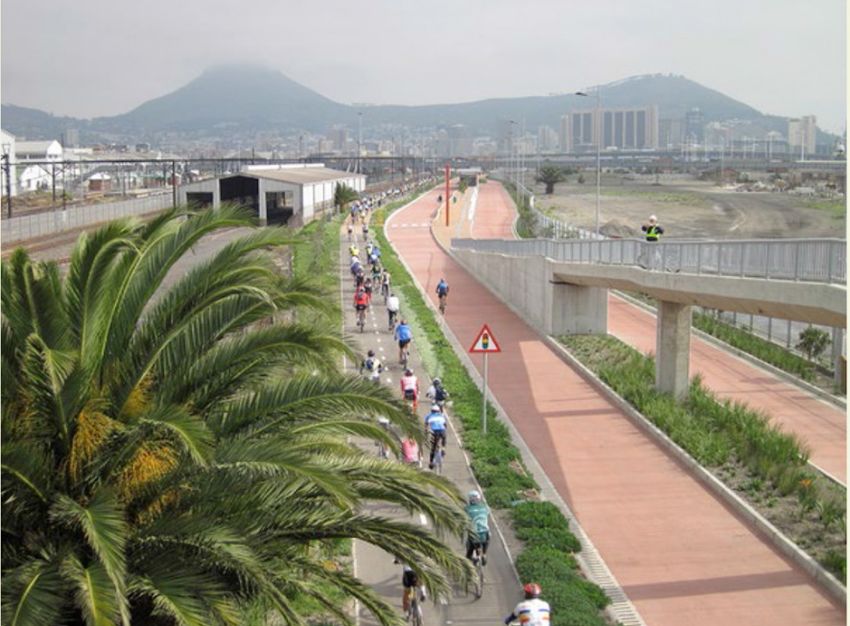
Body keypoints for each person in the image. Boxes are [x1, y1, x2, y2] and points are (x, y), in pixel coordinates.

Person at [465, 490, 490, 564]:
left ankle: (475, 557)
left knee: (470, 546)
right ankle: (484, 554)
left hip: (474, 532)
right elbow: (487, 514)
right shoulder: (485, 507)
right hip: (485, 531)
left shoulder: (467, 509)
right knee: (487, 540)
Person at [424, 404, 447, 468]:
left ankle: (431, 462)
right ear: (438, 411)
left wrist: (426, 432)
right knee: (444, 439)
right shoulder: (441, 415)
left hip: (435, 432)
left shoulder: (429, 416)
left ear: (432, 410)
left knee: (433, 448)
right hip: (442, 431)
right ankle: (443, 449)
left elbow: (426, 425)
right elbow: (445, 425)